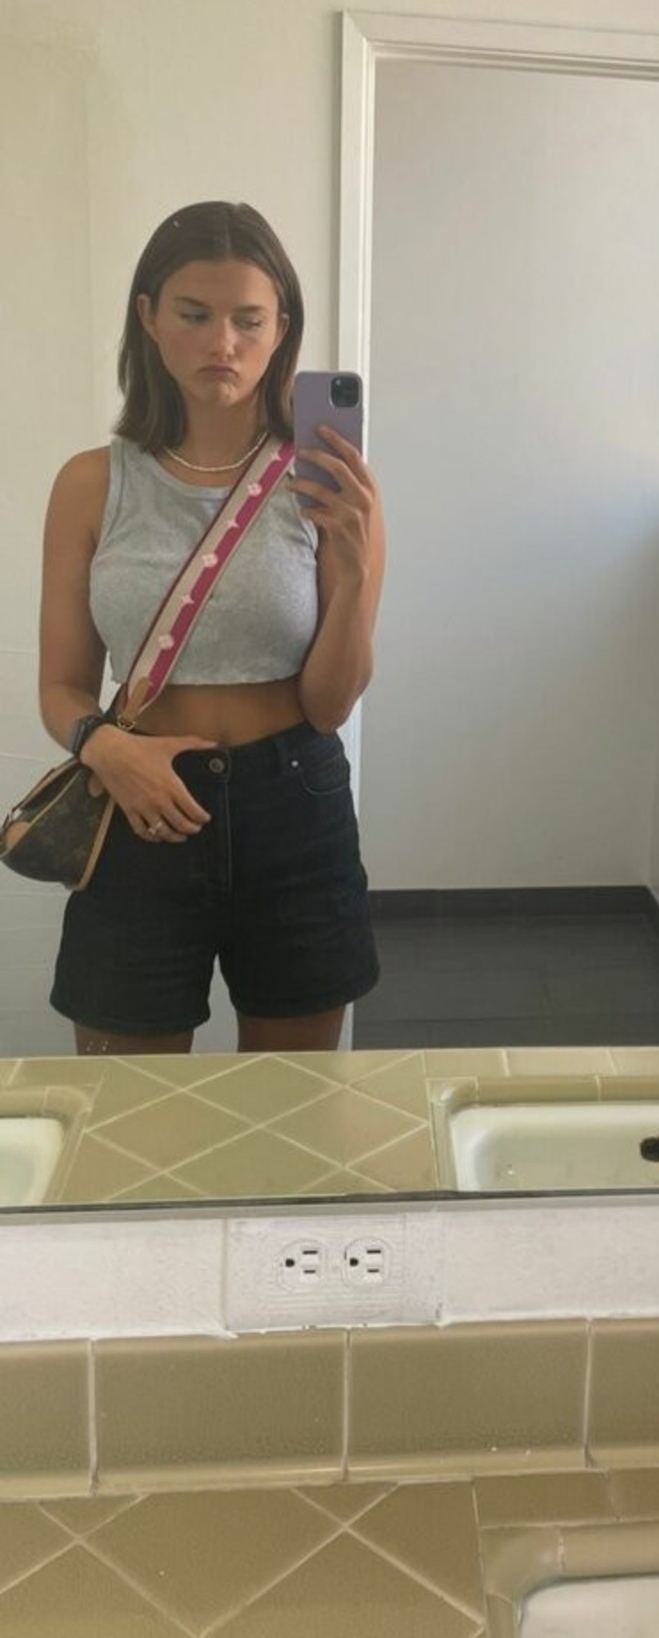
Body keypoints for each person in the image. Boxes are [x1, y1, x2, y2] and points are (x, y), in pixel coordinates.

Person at [38, 201, 385, 1054]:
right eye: (194, 314)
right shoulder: (91, 484)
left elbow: (330, 704)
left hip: (294, 804)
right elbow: (61, 684)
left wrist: (356, 568)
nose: (221, 342)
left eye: (248, 319)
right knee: (127, 1108)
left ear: (281, 329)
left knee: (292, 1104)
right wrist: (105, 748)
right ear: (149, 316)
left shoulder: (333, 487)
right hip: (138, 803)